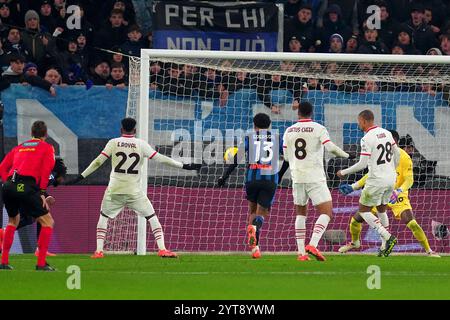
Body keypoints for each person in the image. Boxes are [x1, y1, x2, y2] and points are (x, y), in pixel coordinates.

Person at [65, 118, 201, 258]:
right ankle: (162, 249)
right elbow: (160, 158)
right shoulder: (141, 144)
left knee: (104, 216)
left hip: (115, 190)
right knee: (152, 217)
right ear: (135, 130)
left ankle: (99, 251)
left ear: (121, 129)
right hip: (133, 192)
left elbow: (98, 161)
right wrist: (184, 166)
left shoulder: (113, 143)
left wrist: (81, 176)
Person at [338, 130, 440, 258]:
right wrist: (354, 186)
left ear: (393, 141)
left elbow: (410, 180)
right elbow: (371, 175)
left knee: (412, 223)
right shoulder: (380, 154)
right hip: (381, 192)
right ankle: (354, 243)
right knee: (355, 220)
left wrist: (398, 191)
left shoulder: (404, 157)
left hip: (398, 195)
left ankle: (429, 251)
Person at [283, 101, 349, 261]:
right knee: (326, 212)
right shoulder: (319, 128)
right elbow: (331, 148)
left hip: (297, 177)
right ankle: (312, 244)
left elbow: (285, 157)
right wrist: (347, 156)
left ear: (298, 112)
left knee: (301, 214)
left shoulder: (289, 131)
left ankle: (301, 254)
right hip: (314, 177)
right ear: (311, 113)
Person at [216, 113, 289, 259]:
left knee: (252, 211)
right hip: (269, 180)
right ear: (269, 125)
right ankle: (256, 231)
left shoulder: (249, 137)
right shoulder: (276, 138)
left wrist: (223, 177)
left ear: (254, 125)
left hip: (252, 180)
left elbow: (237, 159)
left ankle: (255, 247)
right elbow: (288, 158)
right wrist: (280, 174)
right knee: (262, 213)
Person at [337, 110, 399, 257]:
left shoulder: (367, 138)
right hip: (391, 178)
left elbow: (362, 164)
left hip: (376, 179)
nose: (359, 124)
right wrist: (393, 170)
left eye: (359, 121)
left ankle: (388, 237)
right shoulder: (386, 133)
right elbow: (396, 153)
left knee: (364, 210)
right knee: (382, 209)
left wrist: (344, 172)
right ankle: (384, 247)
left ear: (364, 121)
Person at [0, 121, 56, 271]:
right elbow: (46, 171)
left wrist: (9, 183)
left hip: (9, 186)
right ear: (45, 134)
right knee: (47, 222)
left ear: (32, 133)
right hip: (27, 185)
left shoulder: (19, 147)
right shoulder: (47, 147)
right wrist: (43, 192)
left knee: (13, 220)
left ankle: (3, 262)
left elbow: (2, 167)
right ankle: (41, 263)